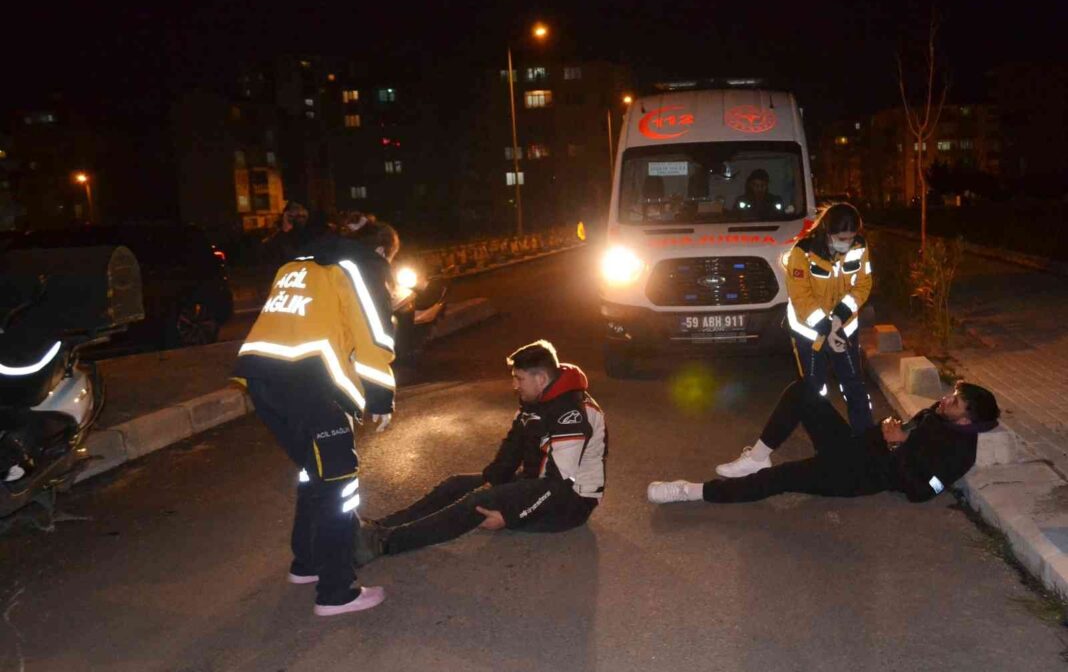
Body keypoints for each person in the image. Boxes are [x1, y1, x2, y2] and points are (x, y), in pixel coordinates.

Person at [233, 214, 397, 617]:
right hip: (309, 384)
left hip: (261, 377)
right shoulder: (363, 266)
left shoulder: (297, 264)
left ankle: (305, 563)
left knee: (314, 474)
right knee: (339, 486)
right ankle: (336, 592)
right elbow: (373, 336)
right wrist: (380, 397)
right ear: (381, 250)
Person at [354, 340, 606, 563]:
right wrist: (491, 479)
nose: (514, 385)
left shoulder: (571, 415)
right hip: (540, 481)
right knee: (456, 484)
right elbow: (512, 449)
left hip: (570, 502)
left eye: (519, 379)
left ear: (541, 379)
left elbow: (558, 485)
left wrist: (511, 516)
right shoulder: (538, 400)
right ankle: (380, 526)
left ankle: (384, 543)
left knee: (477, 503)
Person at [647, 379, 999, 505]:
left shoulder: (959, 456)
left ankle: (691, 491)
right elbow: (906, 432)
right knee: (804, 391)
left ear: (967, 420)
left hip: (857, 477)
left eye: (955, 401)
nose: (945, 400)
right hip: (855, 447)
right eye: (951, 394)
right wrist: (892, 429)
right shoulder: (937, 414)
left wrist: (897, 446)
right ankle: (758, 455)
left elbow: (921, 493)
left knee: (781, 478)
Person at [770, 201, 874, 450]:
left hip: (844, 328)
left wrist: (840, 317)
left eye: (851, 237)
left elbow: (863, 285)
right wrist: (827, 329)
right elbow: (801, 297)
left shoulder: (859, 247)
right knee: (815, 389)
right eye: (842, 238)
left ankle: (867, 441)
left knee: (854, 384)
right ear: (827, 232)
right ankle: (826, 444)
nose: (847, 243)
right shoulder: (802, 252)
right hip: (809, 333)